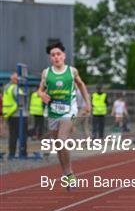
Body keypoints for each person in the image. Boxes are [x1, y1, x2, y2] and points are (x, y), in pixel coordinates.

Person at [38, 41, 91, 188]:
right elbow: (40, 90)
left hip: (69, 111)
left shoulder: (72, 71)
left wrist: (88, 103)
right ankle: (67, 172)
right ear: (50, 58)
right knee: (58, 145)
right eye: (53, 55)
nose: (56, 57)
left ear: (64, 55)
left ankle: (69, 174)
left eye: (58, 54)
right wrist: (42, 95)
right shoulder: (46, 73)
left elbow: (81, 85)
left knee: (62, 140)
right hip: (52, 112)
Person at [3, 73, 28, 158]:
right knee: (23, 135)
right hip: (18, 115)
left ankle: (12, 154)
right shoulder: (15, 88)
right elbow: (21, 101)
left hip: (11, 114)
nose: (19, 81)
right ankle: (23, 153)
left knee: (12, 135)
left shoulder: (7, 88)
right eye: (17, 79)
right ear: (14, 80)